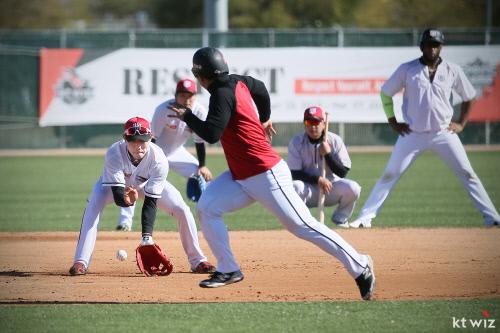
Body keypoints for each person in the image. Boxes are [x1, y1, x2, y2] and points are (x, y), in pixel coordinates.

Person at [169, 47, 375, 300]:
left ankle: (360, 265)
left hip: (266, 174)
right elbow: (261, 88)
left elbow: (211, 134)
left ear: (201, 76)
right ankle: (228, 268)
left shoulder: (221, 94)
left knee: (302, 226)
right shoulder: (238, 81)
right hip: (241, 176)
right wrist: (265, 117)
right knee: (207, 207)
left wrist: (188, 115)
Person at [349, 28, 500, 229]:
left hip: (443, 133)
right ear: (422, 46)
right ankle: (365, 218)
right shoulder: (407, 69)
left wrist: (461, 123)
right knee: (389, 174)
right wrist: (393, 121)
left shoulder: (452, 69)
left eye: (436, 45)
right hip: (413, 133)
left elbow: (469, 96)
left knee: (468, 173)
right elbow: (386, 93)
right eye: (429, 44)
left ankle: (492, 217)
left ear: (441, 47)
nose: (432, 48)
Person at [69, 117, 215, 276]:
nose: (138, 146)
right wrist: (125, 201)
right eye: (133, 141)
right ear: (125, 139)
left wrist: (147, 238)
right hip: (113, 188)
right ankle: (81, 261)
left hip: (146, 186)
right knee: (93, 206)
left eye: (143, 140)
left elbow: (151, 202)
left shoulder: (159, 159)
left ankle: (198, 260)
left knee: (182, 209)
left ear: (151, 138)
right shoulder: (114, 154)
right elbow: (118, 196)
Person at [116, 78, 213, 231]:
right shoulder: (163, 109)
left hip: (177, 152)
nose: (186, 99)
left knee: (203, 177)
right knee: (134, 180)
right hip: (157, 151)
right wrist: (147, 162)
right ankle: (124, 223)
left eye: (190, 95)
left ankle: (209, 222)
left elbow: (199, 141)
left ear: (195, 96)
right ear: (175, 95)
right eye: (182, 95)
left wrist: (202, 165)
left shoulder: (199, 111)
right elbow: (151, 138)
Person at [288, 106, 361, 228]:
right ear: (304, 124)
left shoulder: (335, 140)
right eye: (309, 122)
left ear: (324, 124)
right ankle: (303, 221)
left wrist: (328, 155)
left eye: (316, 122)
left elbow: (343, 172)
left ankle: (340, 219)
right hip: (309, 190)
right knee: (295, 187)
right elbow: (295, 173)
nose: (313, 126)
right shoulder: (296, 142)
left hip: (331, 188)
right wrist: (318, 180)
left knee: (353, 188)